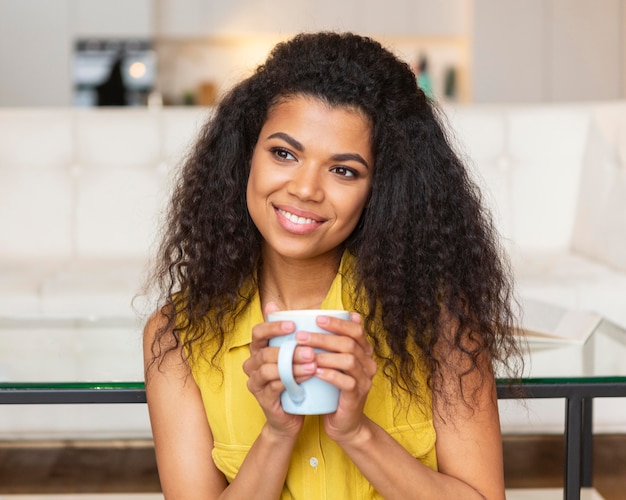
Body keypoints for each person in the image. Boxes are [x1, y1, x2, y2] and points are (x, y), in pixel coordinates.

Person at [142, 31, 521, 499]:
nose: (305, 189)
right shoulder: (178, 336)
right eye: (284, 153)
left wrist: (358, 432)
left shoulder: (441, 324)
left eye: (343, 170)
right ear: (246, 158)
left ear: (381, 189)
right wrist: (277, 434)